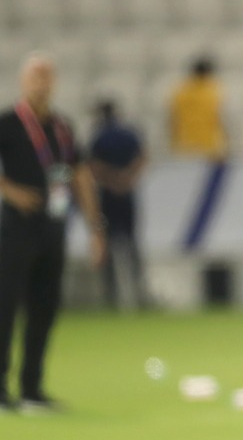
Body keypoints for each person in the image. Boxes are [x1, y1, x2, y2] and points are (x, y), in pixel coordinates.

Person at [0, 53, 106, 413]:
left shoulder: (62, 127)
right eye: (34, 76)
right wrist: (10, 190)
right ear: (22, 81)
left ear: (54, 83)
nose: (41, 83)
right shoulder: (9, 122)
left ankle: (32, 387)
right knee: (5, 309)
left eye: (46, 77)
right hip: (14, 230)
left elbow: (78, 175)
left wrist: (95, 227)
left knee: (44, 308)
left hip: (53, 229)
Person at [89, 99, 149, 309]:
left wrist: (111, 179)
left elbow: (94, 166)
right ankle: (140, 293)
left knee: (108, 243)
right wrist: (128, 178)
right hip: (128, 193)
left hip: (108, 195)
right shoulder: (129, 133)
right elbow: (142, 157)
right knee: (132, 244)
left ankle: (111, 296)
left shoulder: (98, 136)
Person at [168, 56, 227, 160]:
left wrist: (173, 141)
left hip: (184, 144)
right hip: (209, 145)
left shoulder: (181, 91)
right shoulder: (213, 91)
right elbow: (220, 118)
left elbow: (173, 119)